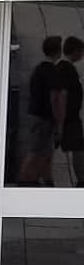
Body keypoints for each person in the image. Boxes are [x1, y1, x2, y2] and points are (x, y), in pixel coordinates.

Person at [18, 36, 63, 186]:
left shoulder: (38, 70)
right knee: (38, 150)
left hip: (35, 114)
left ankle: (45, 180)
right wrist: (59, 121)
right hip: (44, 117)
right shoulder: (53, 72)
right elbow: (54, 98)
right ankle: (24, 181)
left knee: (42, 151)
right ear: (58, 51)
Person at [54, 35, 84, 186]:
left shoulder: (61, 67)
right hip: (69, 118)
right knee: (78, 150)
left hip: (67, 116)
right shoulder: (68, 69)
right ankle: (81, 181)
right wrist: (61, 121)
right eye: (81, 51)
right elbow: (63, 95)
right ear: (76, 51)